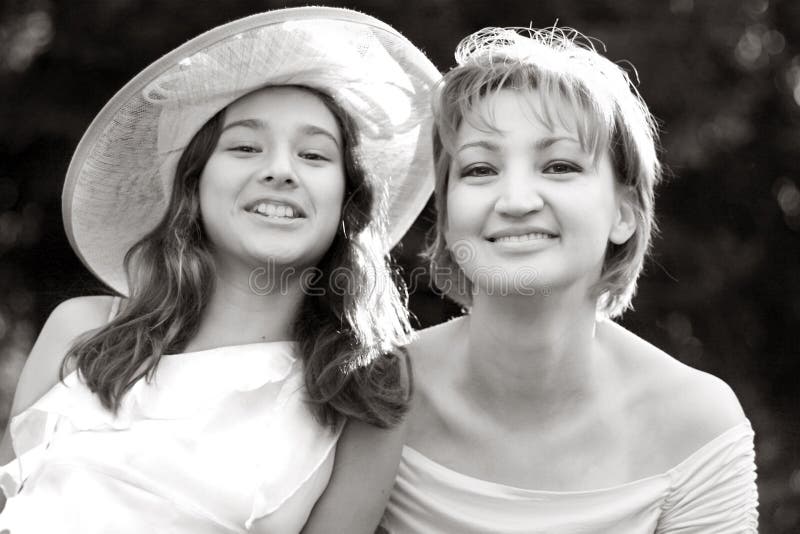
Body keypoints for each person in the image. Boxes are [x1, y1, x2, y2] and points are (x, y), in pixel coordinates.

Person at [0, 7, 440, 533]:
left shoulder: (362, 392)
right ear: (195, 185)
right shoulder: (84, 330)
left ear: (347, 200)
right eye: (245, 147)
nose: (279, 170)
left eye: (315, 155)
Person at [381, 27, 758, 533]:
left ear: (625, 214)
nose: (515, 200)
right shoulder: (375, 396)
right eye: (479, 170)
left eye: (558, 166)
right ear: (447, 218)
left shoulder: (696, 427)